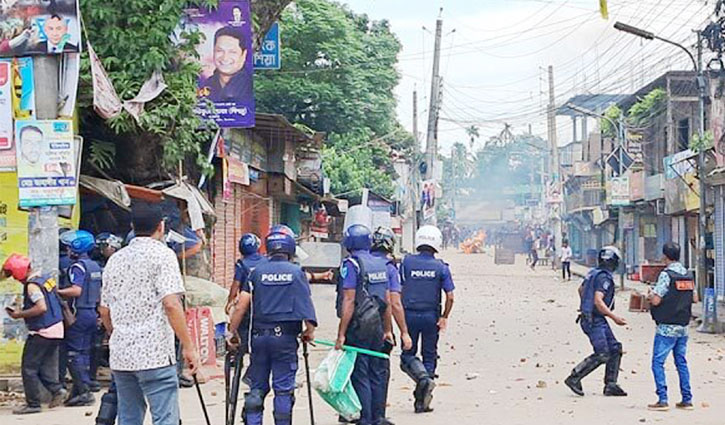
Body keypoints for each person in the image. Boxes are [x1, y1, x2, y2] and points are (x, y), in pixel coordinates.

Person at [99, 202, 200, 425]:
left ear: (133, 226)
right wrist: (189, 347)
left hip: (122, 356)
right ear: (161, 226)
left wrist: (118, 333)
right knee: (165, 418)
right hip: (155, 355)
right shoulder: (163, 256)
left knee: (128, 418)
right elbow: (172, 304)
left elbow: (104, 310)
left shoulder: (115, 260)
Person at [228, 224, 317, 425]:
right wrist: (308, 331)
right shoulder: (296, 273)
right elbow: (307, 307)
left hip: (259, 339)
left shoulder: (256, 272)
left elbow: (241, 306)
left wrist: (231, 333)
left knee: (256, 388)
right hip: (285, 340)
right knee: (284, 389)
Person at [336, 224, 393, 425]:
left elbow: (349, 300)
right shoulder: (380, 263)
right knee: (376, 372)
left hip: (358, 326)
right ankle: (378, 417)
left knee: (360, 373)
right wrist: (387, 330)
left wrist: (341, 334)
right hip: (377, 324)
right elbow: (386, 300)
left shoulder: (351, 264)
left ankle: (365, 418)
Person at [399, 225, 455, 414]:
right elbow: (450, 296)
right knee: (429, 355)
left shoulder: (406, 262)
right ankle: (423, 396)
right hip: (431, 316)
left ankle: (421, 380)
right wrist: (444, 317)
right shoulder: (441, 267)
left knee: (407, 356)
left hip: (409, 316)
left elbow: (396, 289)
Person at [3, 254, 67, 415]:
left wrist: (19, 314)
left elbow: (41, 307)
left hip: (43, 331)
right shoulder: (44, 278)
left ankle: (33, 404)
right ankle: (57, 389)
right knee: (41, 366)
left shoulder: (32, 286)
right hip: (56, 328)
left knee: (28, 368)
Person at [564, 246, 628, 397]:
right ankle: (574, 377)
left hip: (594, 318)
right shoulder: (604, 277)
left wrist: (585, 305)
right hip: (594, 320)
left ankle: (611, 385)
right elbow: (598, 301)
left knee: (615, 348)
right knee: (602, 354)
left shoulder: (592, 273)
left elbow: (581, 290)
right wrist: (615, 317)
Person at [369, 226, 413, 425]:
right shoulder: (389, 267)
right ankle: (377, 416)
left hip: (354, 328)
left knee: (359, 369)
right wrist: (403, 332)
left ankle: (353, 411)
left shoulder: (358, 262)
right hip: (379, 328)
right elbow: (394, 303)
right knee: (379, 371)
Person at [646, 242, 697, 411]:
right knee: (681, 362)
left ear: (665, 256)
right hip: (683, 326)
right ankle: (687, 399)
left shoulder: (666, 275)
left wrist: (649, 295)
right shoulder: (688, 275)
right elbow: (695, 298)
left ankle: (662, 399)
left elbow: (656, 300)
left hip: (667, 327)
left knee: (658, 362)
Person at [56, 230, 102, 406]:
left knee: (73, 353)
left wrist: (57, 291)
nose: (67, 250)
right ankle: (79, 389)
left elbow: (76, 290)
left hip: (79, 313)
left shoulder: (78, 267)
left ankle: (84, 391)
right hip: (91, 312)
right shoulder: (95, 266)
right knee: (84, 352)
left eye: (68, 247)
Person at [198, 26, 252, 103]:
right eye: (219, 50)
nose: (225, 57)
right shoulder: (206, 85)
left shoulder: (250, 85)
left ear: (244, 55)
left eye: (232, 52)